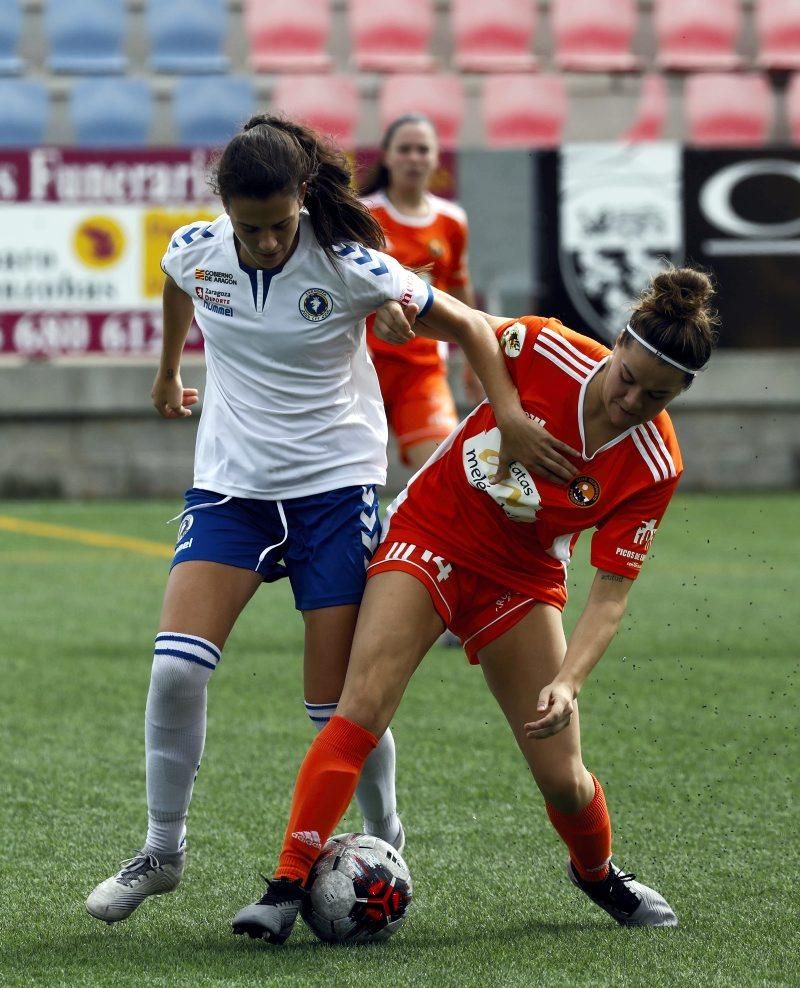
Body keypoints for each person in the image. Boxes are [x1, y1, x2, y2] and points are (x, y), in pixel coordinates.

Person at [85, 114, 579, 925]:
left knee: (338, 709)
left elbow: (467, 323)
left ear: (303, 200)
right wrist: (169, 371)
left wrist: (512, 417)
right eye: (253, 228)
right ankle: (162, 852)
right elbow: (179, 286)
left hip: (333, 492)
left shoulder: (351, 262)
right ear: (225, 211)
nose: (270, 241)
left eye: (282, 224)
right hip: (231, 490)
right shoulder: (194, 248)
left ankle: (385, 833)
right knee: (175, 669)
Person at [231, 266, 719, 942]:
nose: (630, 399)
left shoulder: (655, 464)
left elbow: (610, 598)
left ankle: (598, 872)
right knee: (363, 706)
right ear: (615, 346)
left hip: (519, 581)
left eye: (656, 394)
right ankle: (286, 886)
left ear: (683, 392)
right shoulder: (548, 348)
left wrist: (568, 683)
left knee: (564, 779)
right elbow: (461, 322)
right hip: (432, 531)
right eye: (626, 377)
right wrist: (399, 313)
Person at [360, 113, 481, 474]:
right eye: (405, 149)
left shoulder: (451, 220)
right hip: (362, 367)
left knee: (442, 473)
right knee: (349, 476)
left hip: (422, 370)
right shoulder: (364, 215)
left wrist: (475, 359)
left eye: (422, 150)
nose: (414, 157)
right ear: (386, 156)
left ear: (434, 158)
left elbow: (459, 288)